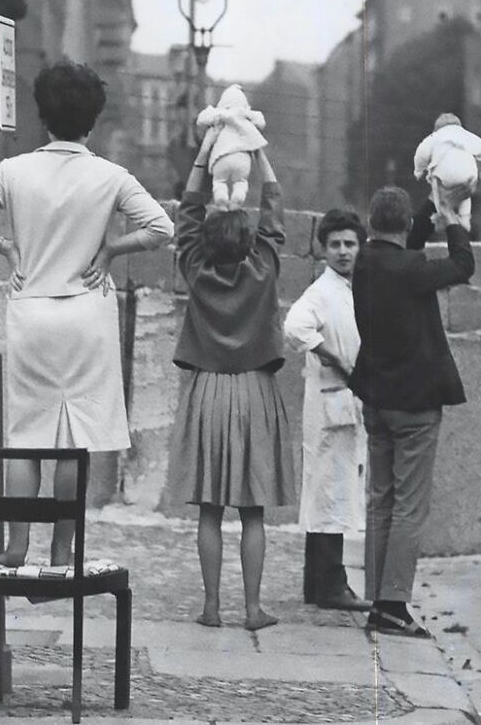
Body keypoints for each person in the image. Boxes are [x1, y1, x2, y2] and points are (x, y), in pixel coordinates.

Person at [0, 60, 174, 568]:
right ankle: (63, 549)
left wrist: (6, 246)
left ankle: (18, 544)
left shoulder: (14, 171)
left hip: (32, 310)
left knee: (27, 434)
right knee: (77, 438)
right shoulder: (111, 176)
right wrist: (112, 249)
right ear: (93, 120)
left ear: (42, 115)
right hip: (88, 312)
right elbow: (161, 229)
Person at [167, 133, 295, 632]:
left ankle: (212, 606)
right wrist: (258, 148)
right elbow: (275, 210)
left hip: (207, 390)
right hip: (254, 391)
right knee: (253, 512)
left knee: (210, 510)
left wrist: (204, 154)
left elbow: (187, 214)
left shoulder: (195, 269)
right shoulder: (263, 270)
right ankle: (252, 609)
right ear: (249, 242)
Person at [349, 184, 474, 637]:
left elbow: (408, 243)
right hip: (415, 404)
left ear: (369, 225)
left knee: (380, 501)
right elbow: (464, 265)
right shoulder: (411, 269)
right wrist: (455, 220)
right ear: (403, 226)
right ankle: (395, 604)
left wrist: (434, 201)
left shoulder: (363, 262)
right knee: (409, 508)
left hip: (376, 400)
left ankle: (379, 601)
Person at [284, 209, 370, 611]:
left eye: (349, 244)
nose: (342, 252)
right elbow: (295, 326)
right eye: (334, 244)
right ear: (323, 249)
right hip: (329, 402)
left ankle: (317, 585)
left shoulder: (355, 289)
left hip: (346, 403)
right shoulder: (322, 291)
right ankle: (331, 584)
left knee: (333, 492)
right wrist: (332, 355)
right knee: (329, 493)